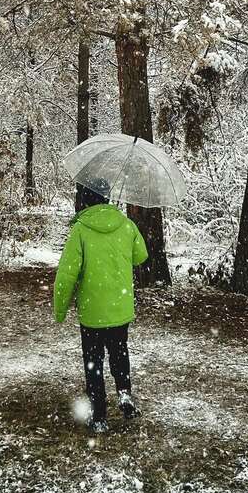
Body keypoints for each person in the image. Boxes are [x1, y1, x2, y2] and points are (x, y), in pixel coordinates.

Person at [53, 179, 148, 433]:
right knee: (119, 352)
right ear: (106, 198)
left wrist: (60, 309)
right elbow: (142, 256)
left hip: (92, 312)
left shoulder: (81, 231)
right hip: (120, 308)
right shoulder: (126, 226)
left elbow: (66, 276)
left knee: (93, 360)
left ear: (85, 199)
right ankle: (125, 395)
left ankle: (99, 415)